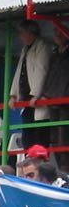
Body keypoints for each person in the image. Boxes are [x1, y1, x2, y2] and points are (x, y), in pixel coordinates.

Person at [9, 19, 51, 149]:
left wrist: (36, 94)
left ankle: (39, 164)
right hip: (26, 100)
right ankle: (29, 163)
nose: (21, 36)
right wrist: (13, 95)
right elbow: (19, 73)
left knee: (40, 135)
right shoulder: (25, 49)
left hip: (37, 98)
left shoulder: (42, 47)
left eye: (23, 33)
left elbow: (41, 70)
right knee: (28, 136)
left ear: (31, 33)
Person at [43, 27, 69, 171]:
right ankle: (61, 169)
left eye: (60, 33)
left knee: (63, 135)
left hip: (65, 101)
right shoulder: (54, 54)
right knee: (55, 138)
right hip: (52, 99)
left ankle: (66, 169)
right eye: (55, 33)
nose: (57, 36)